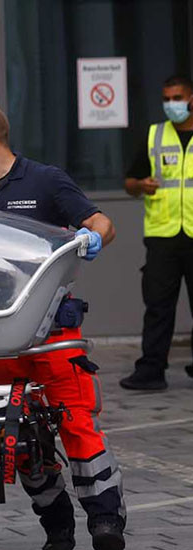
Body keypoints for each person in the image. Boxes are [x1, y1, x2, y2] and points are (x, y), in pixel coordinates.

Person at [0, 101, 126, 550]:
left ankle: (106, 522)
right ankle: (57, 523)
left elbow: (102, 223)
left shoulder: (45, 181)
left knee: (77, 423)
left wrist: (92, 238)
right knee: (22, 439)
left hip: (53, 334)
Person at [119, 74, 193, 392]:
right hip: (163, 236)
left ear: (191, 99)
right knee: (158, 307)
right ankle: (151, 371)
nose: (171, 105)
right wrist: (141, 185)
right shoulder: (155, 135)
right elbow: (130, 182)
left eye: (177, 98)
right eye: (166, 99)